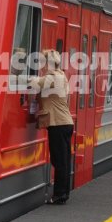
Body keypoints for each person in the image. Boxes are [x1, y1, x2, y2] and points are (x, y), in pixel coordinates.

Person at [32, 49, 75, 204]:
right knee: (63, 160)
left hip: (58, 124)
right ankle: (63, 193)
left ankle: (59, 195)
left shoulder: (52, 77)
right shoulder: (61, 75)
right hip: (65, 123)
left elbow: (31, 83)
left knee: (59, 161)